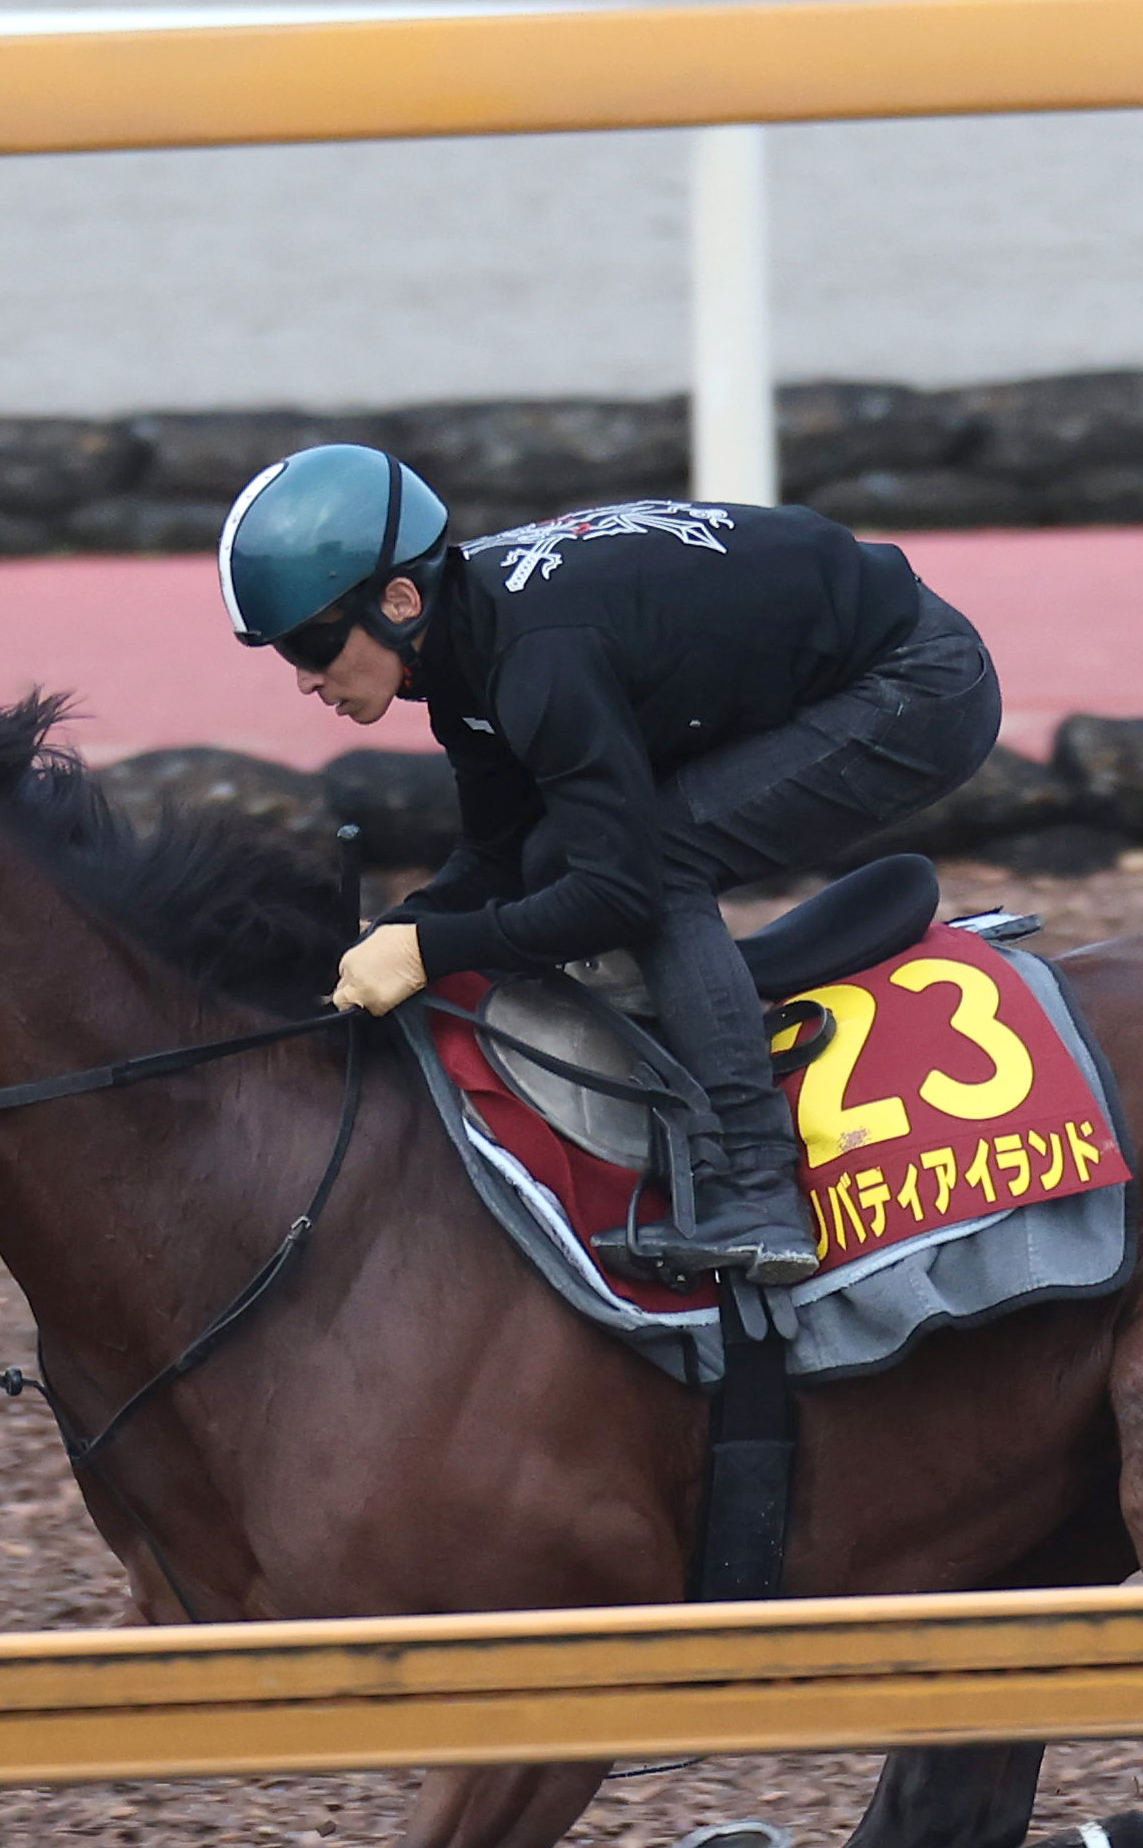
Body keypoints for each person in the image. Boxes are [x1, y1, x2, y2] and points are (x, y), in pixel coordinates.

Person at [219, 444, 1004, 1285]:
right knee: (556, 852)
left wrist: (430, 953)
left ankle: (758, 1189)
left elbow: (618, 894)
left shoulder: (537, 660)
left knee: (658, 865)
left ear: (401, 599)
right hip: (821, 662)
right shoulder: (455, 644)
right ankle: (694, 1034)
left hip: (920, 685)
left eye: (312, 645)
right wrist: (400, 930)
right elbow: (495, 854)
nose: (305, 681)